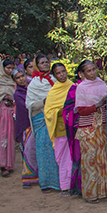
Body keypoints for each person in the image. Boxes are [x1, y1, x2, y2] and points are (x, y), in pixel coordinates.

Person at [74, 59, 107, 202]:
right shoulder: (81, 88)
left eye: (93, 69)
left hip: (101, 126)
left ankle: (103, 191)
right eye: (88, 71)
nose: (92, 73)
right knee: (89, 160)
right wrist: (97, 105)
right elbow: (80, 110)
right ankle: (90, 194)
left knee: (101, 158)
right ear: (82, 74)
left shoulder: (102, 84)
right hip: (88, 128)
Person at [26, 54, 59, 191]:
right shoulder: (35, 83)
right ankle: (46, 182)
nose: (46, 64)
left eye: (47, 62)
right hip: (41, 118)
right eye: (42, 62)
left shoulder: (55, 79)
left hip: (57, 118)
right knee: (44, 150)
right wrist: (44, 102)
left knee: (58, 150)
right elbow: (30, 104)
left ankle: (59, 181)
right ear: (37, 65)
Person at [44, 62, 75, 196]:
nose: (62, 75)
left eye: (63, 71)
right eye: (58, 73)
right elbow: (48, 112)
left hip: (73, 127)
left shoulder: (73, 86)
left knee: (74, 157)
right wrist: (62, 110)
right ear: (54, 75)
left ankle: (75, 184)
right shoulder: (53, 92)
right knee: (62, 158)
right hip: (61, 128)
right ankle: (64, 186)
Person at [13, 63, 39, 188]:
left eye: (22, 76)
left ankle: (39, 176)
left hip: (37, 122)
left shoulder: (33, 88)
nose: (21, 79)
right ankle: (27, 178)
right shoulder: (17, 94)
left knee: (37, 149)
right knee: (27, 150)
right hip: (26, 125)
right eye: (18, 78)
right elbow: (26, 107)